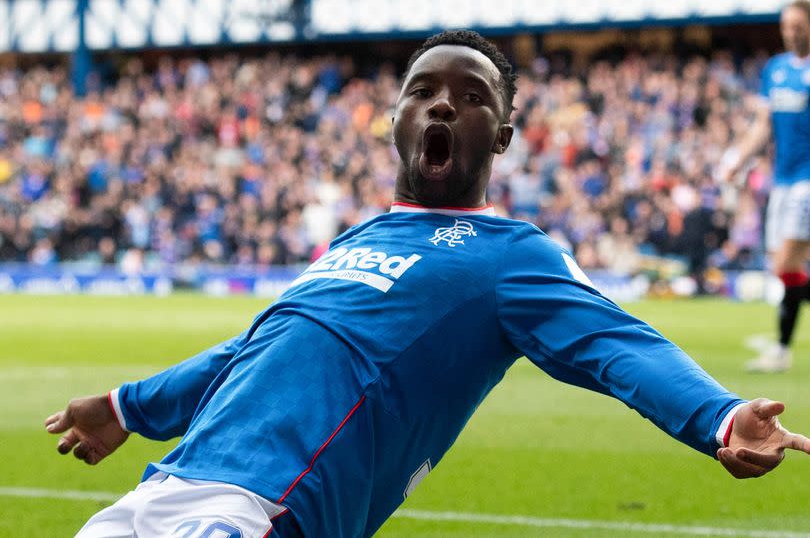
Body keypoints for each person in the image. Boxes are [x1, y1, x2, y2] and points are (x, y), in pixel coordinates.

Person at [47, 31, 810, 538]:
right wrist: (124, 406)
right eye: (424, 90)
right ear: (394, 120)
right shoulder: (358, 237)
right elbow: (251, 353)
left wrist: (716, 415)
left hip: (257, 511)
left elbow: (616, 341)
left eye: (474, 97)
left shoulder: (511, 254)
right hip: (156, 492)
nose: (445, 102)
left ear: (504, 138)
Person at [720, 0, 810, 372]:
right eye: (786, 26)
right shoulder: (775, 70)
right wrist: (738, 159)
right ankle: (782, 346)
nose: (790, 32)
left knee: (788, 258)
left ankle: (780, 350)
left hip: (807, 180)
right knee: (783, 266)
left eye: (797, 25)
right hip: (783, 179)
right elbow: (763, 126)